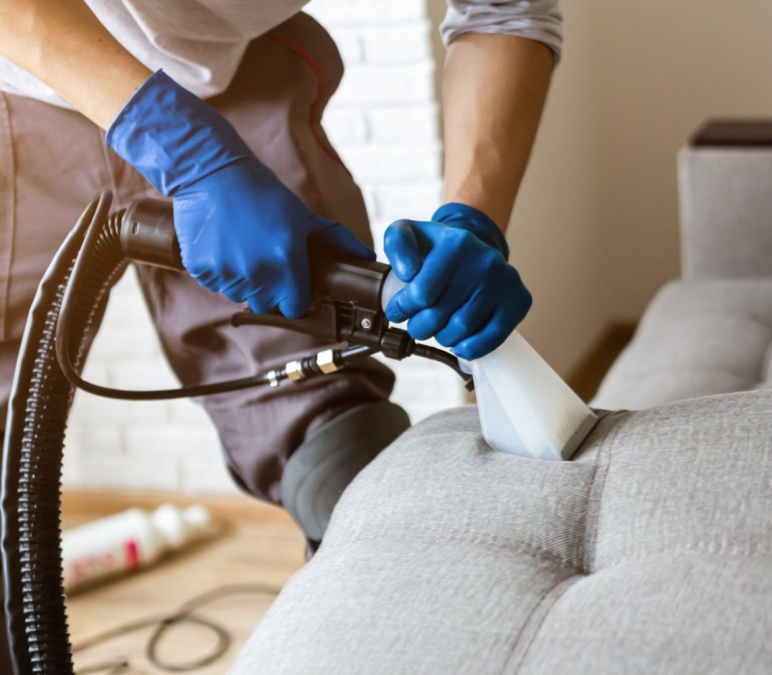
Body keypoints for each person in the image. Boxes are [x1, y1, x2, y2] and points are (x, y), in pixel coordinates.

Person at [0, 0, 558, 659]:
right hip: (22, 76)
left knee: (337, 441)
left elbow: (504, 13)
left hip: (233, 71)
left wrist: (474, 216)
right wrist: (177, 143)